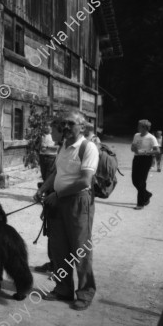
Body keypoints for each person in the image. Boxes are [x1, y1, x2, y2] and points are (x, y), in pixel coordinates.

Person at [34, 110, 99, 311]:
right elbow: (57, 172)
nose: (66, 127)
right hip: (58, 202)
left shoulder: (88, 148)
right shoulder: (63, 145)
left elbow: (85, 180)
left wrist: (58, 195)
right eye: (64, 124)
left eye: (71, 124)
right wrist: (44, 189)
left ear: (83, 126)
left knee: (79, 250)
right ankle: (63, 289)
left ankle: (85, 292)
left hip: (78, 203)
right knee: (59, 249)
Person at [131, 119, 159, 210]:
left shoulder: (151, 138)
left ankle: (140, 204)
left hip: (146, 159)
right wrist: (134, 149)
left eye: (139, 126)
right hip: (137, 158)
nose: (137, 127)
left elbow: (157, 150)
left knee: (142, 181)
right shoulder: (136, 135)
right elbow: (132, 147)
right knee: (134, 180)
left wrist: (145, 151)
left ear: (144, 127)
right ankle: (147, 194)